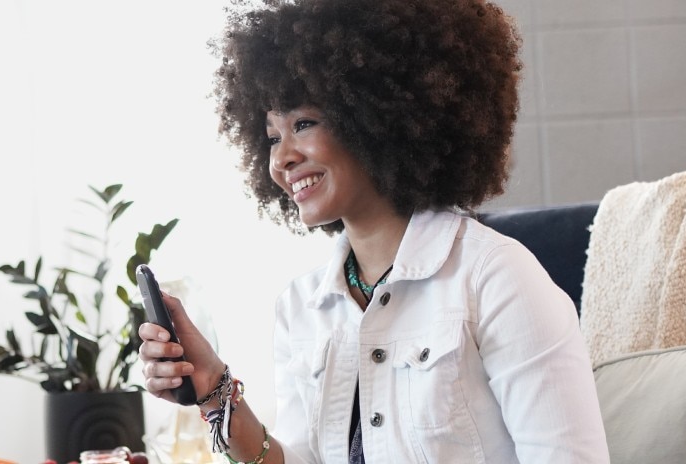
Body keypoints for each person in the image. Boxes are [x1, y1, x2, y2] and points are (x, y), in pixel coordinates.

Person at [138, 0, 611, 462]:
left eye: (304, 123)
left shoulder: (497, 278)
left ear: (376, 117)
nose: (281, 159)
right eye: (273, 137)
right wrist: (214, 389)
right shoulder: (300, 309)